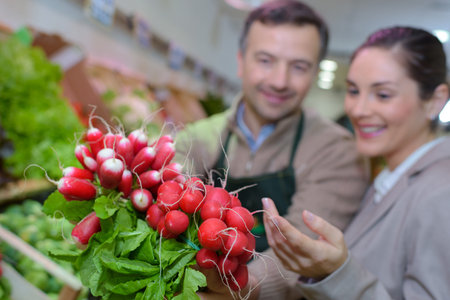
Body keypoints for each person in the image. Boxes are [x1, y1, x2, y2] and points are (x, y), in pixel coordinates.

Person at [259, 26, 450, 299]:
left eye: (383, 95)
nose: (358, 111)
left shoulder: (442, 191)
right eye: (353, 90)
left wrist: (338, 273)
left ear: (434, 101)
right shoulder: (389, 177)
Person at [176, 0, 367, 255]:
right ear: (241, 61)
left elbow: (301, 253)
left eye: (299, 67)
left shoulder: (338, 151)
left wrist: (236, 291)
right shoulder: (196, 139)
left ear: (314, 74)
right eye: (266, 61)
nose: (280, 81)